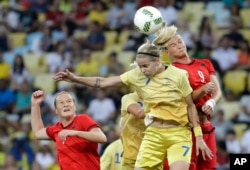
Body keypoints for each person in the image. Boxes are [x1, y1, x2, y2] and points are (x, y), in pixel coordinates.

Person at [53, 40, 213, 170]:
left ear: (157, 61)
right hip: (154, 134)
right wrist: (75, 79)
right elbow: (103, 82)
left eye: (145, 66)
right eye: (139, 66)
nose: (141, 70)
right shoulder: (137, 75)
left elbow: (191, 106)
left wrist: (198, 137)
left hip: (179, 134)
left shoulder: (179, 75)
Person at [153, 25, 222, 170]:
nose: (179, 46)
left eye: (180, 41)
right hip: (186, 129)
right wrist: (203, 91)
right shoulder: (170, 71)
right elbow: (185, 101)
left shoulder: (205, 63)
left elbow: (217, 92)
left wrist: (211, 102)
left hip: (207, 126)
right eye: (173, 45)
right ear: (167, 51)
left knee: (210, 167)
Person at [30, 90, 107, 170]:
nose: (66, 104)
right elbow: (38, 133)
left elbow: (102, 137)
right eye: (61, 103)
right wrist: (35, 105)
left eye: (69, 101)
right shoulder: (56, 129)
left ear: (75, 107)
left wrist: (75, 133)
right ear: (56, 110)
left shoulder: (83, 119)